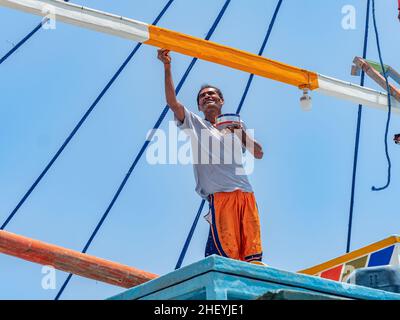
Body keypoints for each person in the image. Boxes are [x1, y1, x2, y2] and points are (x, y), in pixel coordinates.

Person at [157, 48, 265, 264]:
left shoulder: (236, 125)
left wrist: (240, 132)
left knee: (252, 255)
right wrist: (167, 67)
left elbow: (259, 153)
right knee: (226, 254)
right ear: (199, 105)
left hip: (245, 194)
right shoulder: (195, 124)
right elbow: (173, 102)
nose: (207, 97)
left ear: (221, 100)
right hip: (220, 197)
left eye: (211, 94)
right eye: (202, 96)